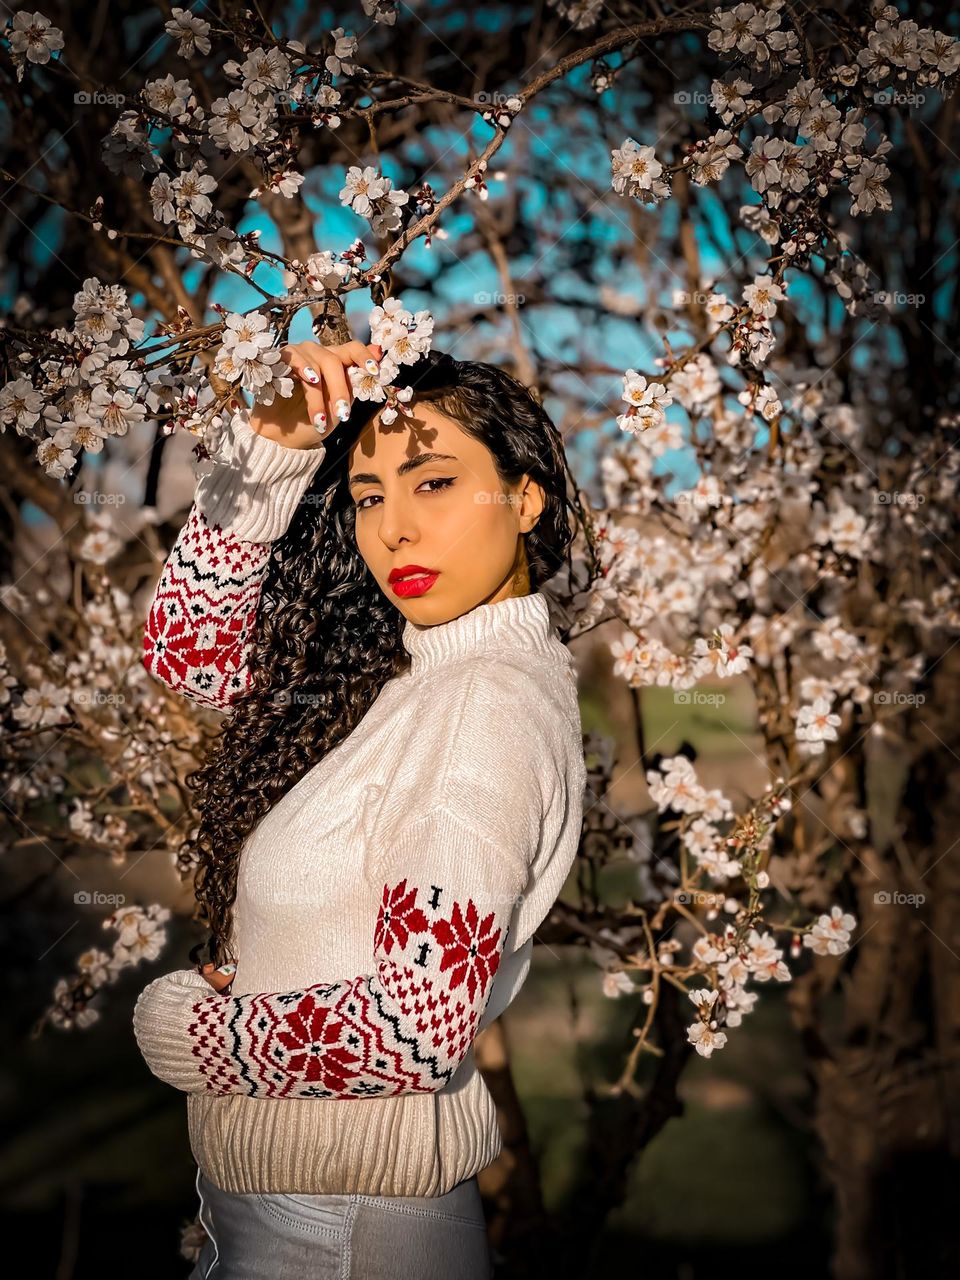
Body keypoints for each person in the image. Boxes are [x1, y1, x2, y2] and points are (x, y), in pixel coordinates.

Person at [132, 338, 588, 1278]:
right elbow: (187, 649)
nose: (394, 530)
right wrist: (272, 449)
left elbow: (417, 1028)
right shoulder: (409, 680)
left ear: (525, 497)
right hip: (301, 1215)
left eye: (433, 484)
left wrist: (191, 1033)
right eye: (371, 496)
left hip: (343, 1227)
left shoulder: (486, 702)